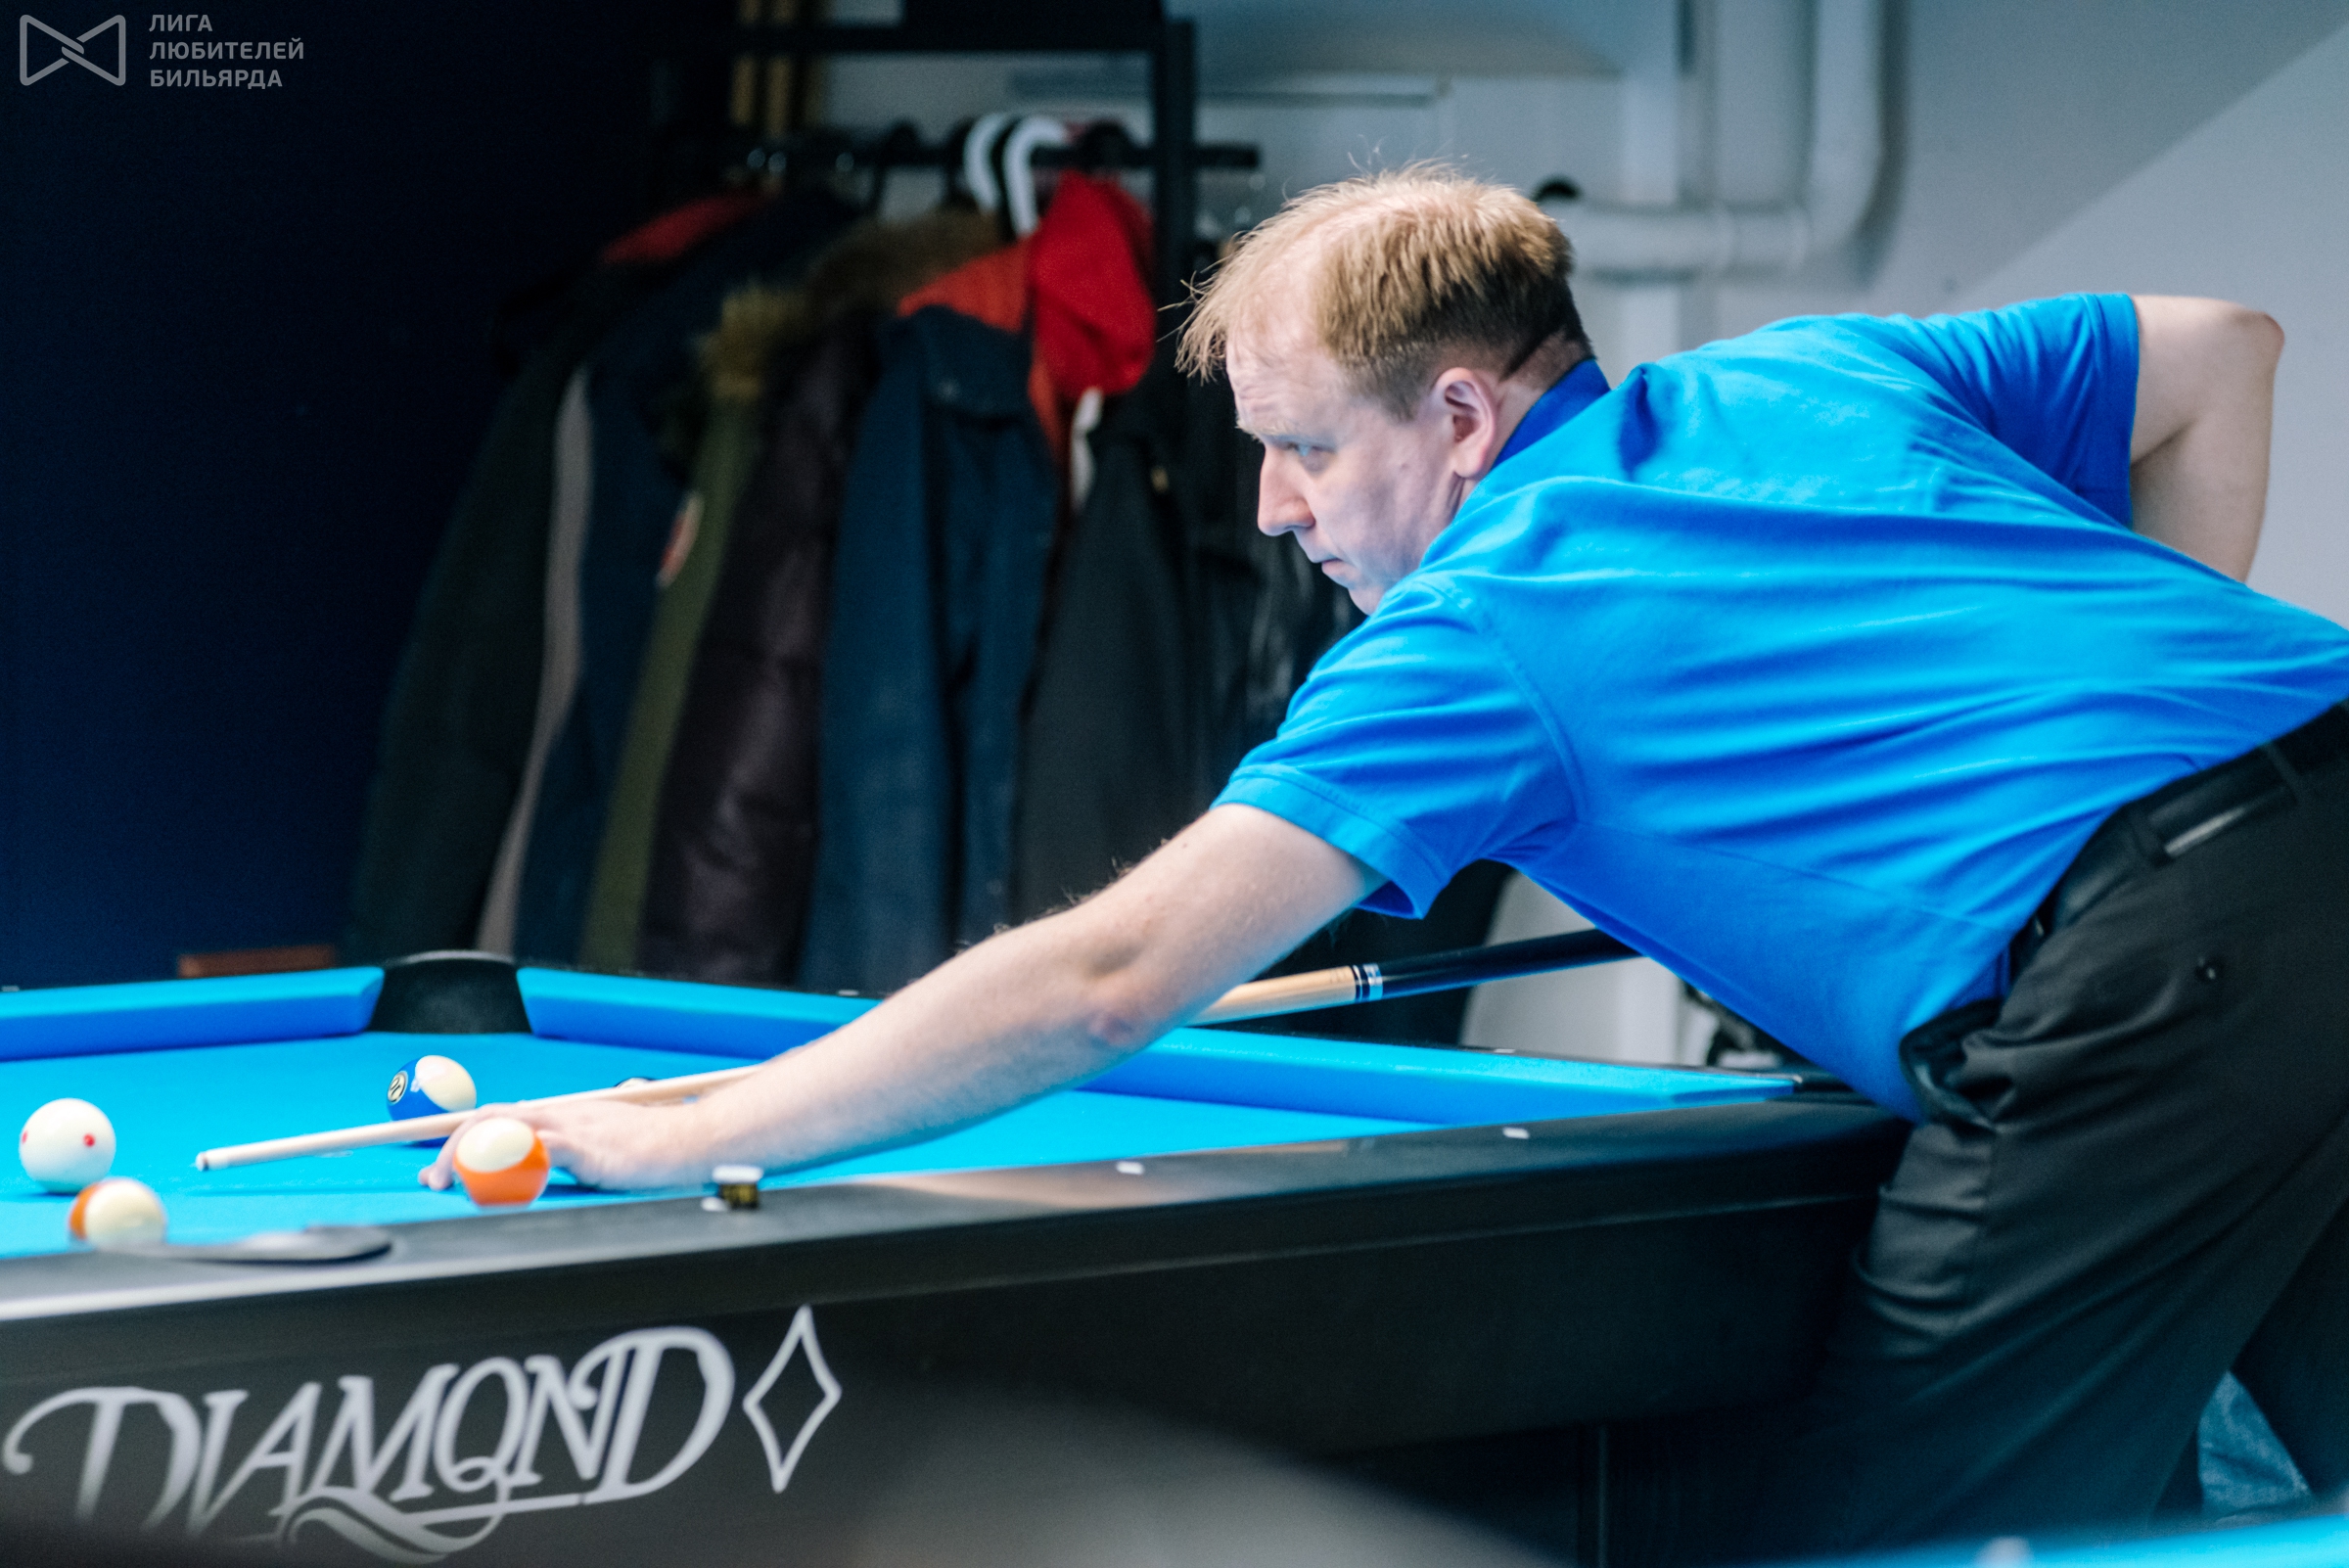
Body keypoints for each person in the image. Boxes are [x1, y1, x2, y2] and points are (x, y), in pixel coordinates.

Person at [427, 168, 2349, 1551]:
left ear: (1459, 415)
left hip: (2163, 978)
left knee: (1883, 1538)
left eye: (1303, 451)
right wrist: (2163, 743)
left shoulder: (1479, 627)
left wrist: (706, 1128)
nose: (1273, 510)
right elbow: (2217, 353)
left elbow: (1110, 977)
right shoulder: (1806, 374)